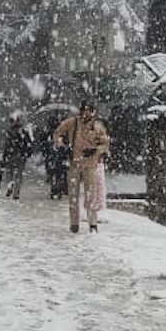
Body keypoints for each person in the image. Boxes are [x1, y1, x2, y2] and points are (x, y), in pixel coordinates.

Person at [53, 99, 110, 233]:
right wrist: (63, 146)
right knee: (73, 196)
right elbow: (57, 134)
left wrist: (95, 150)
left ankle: (92, 224)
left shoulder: (97, 126)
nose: (86, 113)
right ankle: (74, 224)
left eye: (89, 111)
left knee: (91, 195)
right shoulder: (72, 123)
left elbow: (105, 144)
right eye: (85, 110)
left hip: (90, 165)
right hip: (74, 163)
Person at [0, 114, 34, 200]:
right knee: (19, 174)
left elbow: (6, 145)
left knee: (9, 172)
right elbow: (29, 144)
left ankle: (10, 184)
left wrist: (4, 156)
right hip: (21, 155)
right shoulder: (24, 131)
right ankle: (16, 192)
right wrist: (27, 153)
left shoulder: (9, 131)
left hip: (11, 155)